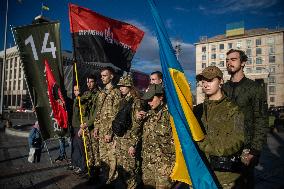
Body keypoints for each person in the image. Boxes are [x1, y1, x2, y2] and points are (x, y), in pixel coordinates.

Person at [223, 49, 269, 188]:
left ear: (243, 63)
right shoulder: (223, 89)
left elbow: (261, 119)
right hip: (224, 148)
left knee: (244, 184)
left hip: (245, 149)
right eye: (227, 60)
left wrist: (254, 151)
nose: (229, 63)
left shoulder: (255, 88)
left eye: (233, 59)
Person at [194, 66, 245, 188]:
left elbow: (236, 141)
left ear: (221, 81)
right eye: (203, 81)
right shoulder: (198, 110)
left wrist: (203, 143)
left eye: (210, 80)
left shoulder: (233, 109)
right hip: (200, 173)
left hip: (224, 178)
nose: (205, 84)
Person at [136, 84, 175, 189]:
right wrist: (138, 120)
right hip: (148, 166)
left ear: (161, 97)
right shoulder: (148, 115)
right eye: (147, 100)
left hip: (164, 168)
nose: (149, 102)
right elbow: (138, 134)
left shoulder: (171, 115)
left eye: (151, 99)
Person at [113, 74, 143, 188]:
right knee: (122, 170)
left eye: (123, 86)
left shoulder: (136, 102)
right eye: (120, 86)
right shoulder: (124, 100)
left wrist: (132, 144)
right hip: (121, 140)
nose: (121, 88)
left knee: (130, 172)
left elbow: (137, 125)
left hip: (129, 141)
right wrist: (116, 139)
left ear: (130, 86)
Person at [93, 66, 122, 185]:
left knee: (111, 160)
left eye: (105, 75)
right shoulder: (102, 93)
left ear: (111, 76)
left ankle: (111, 182)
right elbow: (98, 112)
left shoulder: (116, 92)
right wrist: (96, 127)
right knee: (103, 159)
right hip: (101, 132)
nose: (102, 78)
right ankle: (105, 181)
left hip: (110, 134)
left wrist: (110, 133)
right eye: (101, 76)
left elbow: (116, 115)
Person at [78, 74, 99, 179]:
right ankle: (90, 172)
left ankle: (95, 175)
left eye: (91, 81)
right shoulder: (86, 94)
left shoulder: (99, 94)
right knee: (88, 152)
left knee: (95, 153)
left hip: (93, 127)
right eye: (87, 82)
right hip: (85, 127)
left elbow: (96, 113)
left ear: (95, 82)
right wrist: (82, 126)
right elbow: (82, 111)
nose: (89, 84)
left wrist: (87, 124)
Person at [67, 85, 87, 175]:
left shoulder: (81, 100)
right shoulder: (74, 100)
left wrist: (81, 128)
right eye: (74, 90)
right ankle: (76, 164)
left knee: (81, 148)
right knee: (75, 147)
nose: (76, 92)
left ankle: (83, 167)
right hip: (73, 126)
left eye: (77, 90)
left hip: (79, 126)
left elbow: (84, 114)